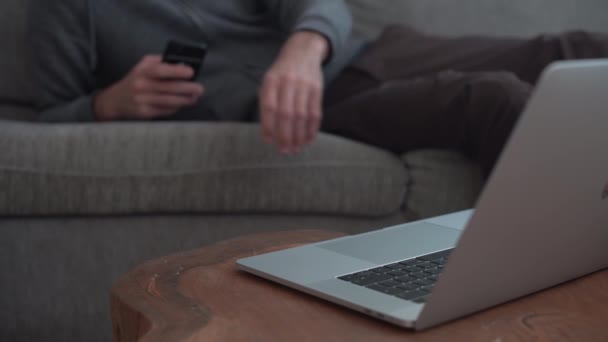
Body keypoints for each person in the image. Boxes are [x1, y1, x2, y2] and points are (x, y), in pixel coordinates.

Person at [28, 1, 608, 176]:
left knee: (576, 48)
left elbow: (318, 4)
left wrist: (303, 48)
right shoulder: (65, 11)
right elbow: (31, 127)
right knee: (494, 97)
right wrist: (106, 105)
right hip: (311, 111)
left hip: (371, 52)